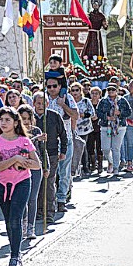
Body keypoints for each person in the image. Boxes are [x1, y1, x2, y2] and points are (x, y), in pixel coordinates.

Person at [0, 107, 41, 266]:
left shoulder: (24, 141)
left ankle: (15, 256)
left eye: (7, 120)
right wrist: (16, 159)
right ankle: (14, 250)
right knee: (8, 219)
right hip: (2, 184)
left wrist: (19, 162)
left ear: (16, 122)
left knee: (15, 219)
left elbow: (36, 164)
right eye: (1, 120)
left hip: (21, 182)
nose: (3, 123)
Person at [33, 92, 67, 224]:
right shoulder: (31, 118)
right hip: (35, 155)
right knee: (38, 184)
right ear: (34, 103)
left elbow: (63, 135)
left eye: (43, 103)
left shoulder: (54, 116)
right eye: (38, 103)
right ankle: (38, 211)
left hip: (51, 154)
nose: (41, 106)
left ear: (48, 104)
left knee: (49, 183)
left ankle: (50, 212)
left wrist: (63, 151)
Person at [45, 77, 79, 213]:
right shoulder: (44, 98)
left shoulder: (67, 97)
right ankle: (49, 200)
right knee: (50, 173)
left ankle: (61, 200)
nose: (52, 89)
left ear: (60, 87)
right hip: (49, 142)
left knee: (64, 172)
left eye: (54, 86)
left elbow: (75, 115)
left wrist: (63, 105)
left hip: (66, 140)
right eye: (49, 86)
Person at [17, 105, 45, 240]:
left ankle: (30, 227)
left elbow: (42, 151)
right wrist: (35, 139)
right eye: (23, 119)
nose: (26, 122)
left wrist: (46, 166)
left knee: (32, 198)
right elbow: (23, 145)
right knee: (22, 199)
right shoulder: (15, 133)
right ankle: (22, 225)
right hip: (20, 168)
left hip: (35, 167)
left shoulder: (37, 130)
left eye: (28, 118)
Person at [95, 84, 132, 175]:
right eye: (109, 89)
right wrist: (106, 117)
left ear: (117, 90)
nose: (111, 91)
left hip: (119, 126)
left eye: (113, 89)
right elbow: (98, 112)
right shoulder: (103, 101)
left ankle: (116, 167)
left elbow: (129, 111)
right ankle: (110, 161)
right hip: (106, 126)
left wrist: (120, 113)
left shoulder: (122, 100)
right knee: (105, 148)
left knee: (116, 148)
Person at [71, 83, 95, 179]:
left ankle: (85, 167)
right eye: (73, 90)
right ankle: (76, 168)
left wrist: (83, 115)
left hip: (84, 129)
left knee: (82, 147)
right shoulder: (70, 101)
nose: (75, 92)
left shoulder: (85, 101)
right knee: (74, 148)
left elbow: (92, 113)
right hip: (73, 128)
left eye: (77, 90)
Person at [86, 87, 104, 173]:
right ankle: (93, 163)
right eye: (93, 93)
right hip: (89, 127)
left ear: (100, 94)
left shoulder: (102, 103)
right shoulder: (87, 102)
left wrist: (98, 116)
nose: (94, 95)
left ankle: (100, 164)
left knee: (100, 146)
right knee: (90, 146)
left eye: (96, 93)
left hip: (100, 127)